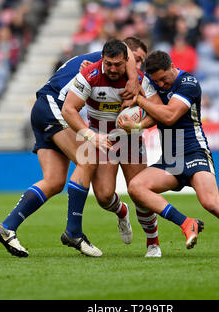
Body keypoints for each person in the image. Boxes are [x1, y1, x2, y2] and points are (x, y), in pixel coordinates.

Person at [0, 37, 146, 258]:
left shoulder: (99, 64)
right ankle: (73, 232)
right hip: (53, 106)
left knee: (54, 181)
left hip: (43, 109)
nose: (137, 67)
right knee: (88, 156)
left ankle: (8, 227)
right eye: (136, 60)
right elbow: (69, 108)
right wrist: (132, 80)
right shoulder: (103, 61)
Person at [121, 50, 219, 258]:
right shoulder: (151, 81)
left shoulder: (188, 83)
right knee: (136, 188)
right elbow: (130, 63)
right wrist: (138, 124)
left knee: (211, 203)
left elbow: (169, 116)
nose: (162, 85)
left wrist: (139, 101)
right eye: (157, 82)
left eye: (165, 80)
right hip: (171, 159)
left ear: (173, 67)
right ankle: (187, 223)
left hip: (194, 152)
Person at [60, 39, 163, 258]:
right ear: (102, 59)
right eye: (109, 64)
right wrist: (90, 135)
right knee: (104, 196)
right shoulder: (89, 74)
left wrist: (137, 124)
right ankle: (121, 211)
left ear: (127, 61)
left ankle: (153, 243)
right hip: (101, 137)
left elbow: (158, 111)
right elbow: (68, 110)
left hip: (130, 138)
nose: (113, 69)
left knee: (140, 192)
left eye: (118, 64)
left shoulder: (140, 80)